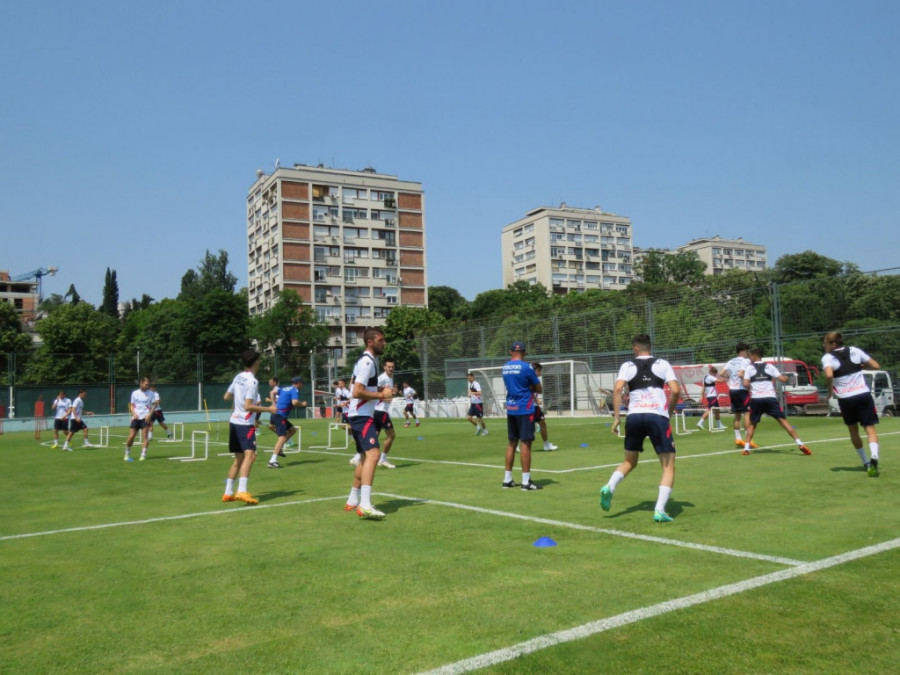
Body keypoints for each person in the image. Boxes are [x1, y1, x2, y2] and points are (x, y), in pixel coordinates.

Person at [600, 334, 680, 523]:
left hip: (634, 417)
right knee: (668, 465)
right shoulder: (662, 363)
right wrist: (668, 412)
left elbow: (617, 390)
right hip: (656, 417)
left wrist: (617, 418)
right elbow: (675, 390)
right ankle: (659, 510)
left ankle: (610, 486)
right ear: (649, 347)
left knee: (629, 461)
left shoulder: (627, 365)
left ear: (635, 348)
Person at [343, 327, 396, 519]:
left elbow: (360, 387)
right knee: (374, 455)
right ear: (370, 342)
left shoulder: (365, 360)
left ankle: (352, 500)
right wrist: (382, 395)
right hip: (362, 416)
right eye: (380, 340)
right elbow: (357, 391)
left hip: (358, 414)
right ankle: (365, 505)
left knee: (365, 458)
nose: (384, 343)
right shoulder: (367, 362)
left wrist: (381, 389)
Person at [822, 331, 882, 476]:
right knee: (870, 428)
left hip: (846, 398)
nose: (824, 346)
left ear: (833, 344)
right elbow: (876, 366)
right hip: (863, 395)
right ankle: (874, 455)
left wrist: (830, 391)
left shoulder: (828, 357)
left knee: (853, 431)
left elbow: (829, 375)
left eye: (825, 343)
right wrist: (860, 367)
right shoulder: (855, 350)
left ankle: (866, 462)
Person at [221, 350, 275, 505]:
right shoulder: (252, 381)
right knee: (250, 456)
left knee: (239, 458)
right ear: (256, 362)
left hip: (234, 422)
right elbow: (248, 406)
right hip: (245, 424)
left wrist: (238, 396)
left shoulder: (238, 376)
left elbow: (226, 396)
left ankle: (228, 492)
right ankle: (242, 491)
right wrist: (268, 409)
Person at [741, 349, 812, 456]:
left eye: (750, 356)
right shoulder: (770, 366)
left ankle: (746, 448)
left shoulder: (749, 368)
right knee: (783, 421)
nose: (749, 358)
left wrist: (751, 388)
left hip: (756, 399)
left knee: (752, 424)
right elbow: (782, 379)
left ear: (754, 356)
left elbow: (745, 383)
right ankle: (800, 444)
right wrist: (787, 378)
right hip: (770, 398)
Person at [501, 341, 543, 491]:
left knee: (512, 443)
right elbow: (539, 388)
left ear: (511, 352)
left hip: (511, 408)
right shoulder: (527, 367)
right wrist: (530, 387)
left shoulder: (505, 367)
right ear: (524, 352)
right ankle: (526, 481)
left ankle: (507, 479)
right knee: (525, 443)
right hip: (525, 408)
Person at [719, 342, 758, 449]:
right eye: (747, 351)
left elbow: (721, 373)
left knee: (737, 415)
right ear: (743, 351)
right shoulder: (745, 361)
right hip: (742, 390)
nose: (748, 353)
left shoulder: (731, 361)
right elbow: (741, 374)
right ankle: (748, 440)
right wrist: (748, 380)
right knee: (747, 413)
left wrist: (729, 377)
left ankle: (738, 439)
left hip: (732, 390)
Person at [267, 376, 306, 469]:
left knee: (292, 430)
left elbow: (271, 393)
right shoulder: (294, 390)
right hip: (280, 416)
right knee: (282, 437)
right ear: (298, 383)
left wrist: (273, 404)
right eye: (302, 383)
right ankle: (272, 460)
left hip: (275, 414)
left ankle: (279, 449)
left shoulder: (284, 388)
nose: (303, 385)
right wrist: (302, 404)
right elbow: (295, 402)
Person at [373, 357, 398, 468]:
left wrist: (392, 393)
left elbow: (386, 392)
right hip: (381, 411)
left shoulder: (390, 378)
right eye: (389, 367)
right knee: (391, 435)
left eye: (392, 367)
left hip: (379, 411)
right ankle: (382, 459)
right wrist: (383, 397)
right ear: (384, 367)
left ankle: (359, 456)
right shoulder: (381, 378)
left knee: (374, 436)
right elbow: (373, 390)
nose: (391, 368)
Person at [124, 378, 154, 462]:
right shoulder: (135, 393)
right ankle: (127, 453)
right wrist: (134, 413)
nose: (147, 386)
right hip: (136, 418)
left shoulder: (151, 393)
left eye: (148, 385)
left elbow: (154, 405)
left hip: (145, 418)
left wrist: (149, 414)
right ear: (141, 383)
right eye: (146, 385)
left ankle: (143, 455)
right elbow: (132, 405)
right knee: (132, 435)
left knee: (145, 436)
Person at [531, 362, 558, 451]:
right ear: (534, 371)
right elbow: (529, 391)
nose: (540, 373)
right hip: (532, 407)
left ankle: (546, 444)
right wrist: (536, 400)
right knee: (540, 425)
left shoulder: (532, 379)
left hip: (532, 406)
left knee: (540, 424)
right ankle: (546, 445)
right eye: (539, 371)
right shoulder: (531, 379)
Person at [696, 366, 726, 430]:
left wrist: (701, 396)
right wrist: (726, 378)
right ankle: (700, 422)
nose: (715, 375)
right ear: (712, 372)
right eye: (715, 374)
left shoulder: (705, 377)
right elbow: (720, 381)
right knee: (710, 410)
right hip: (712, 396)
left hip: (711, 396)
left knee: (717, 410)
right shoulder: (710, 377)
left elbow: (703, 387)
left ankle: (719, 424)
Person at [466, 372, 488, 436]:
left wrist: (471, 393)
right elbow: (472, 393)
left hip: (478, 403)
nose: (468, 379)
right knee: (469, 417)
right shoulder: (470, 385)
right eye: (468, 378)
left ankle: (485, 431)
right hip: (473, 404)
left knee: (479, 419)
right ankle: (478, 428)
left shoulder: (476, 384)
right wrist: (470, 395)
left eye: (469, 378)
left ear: (473, 377)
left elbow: (480, 393)